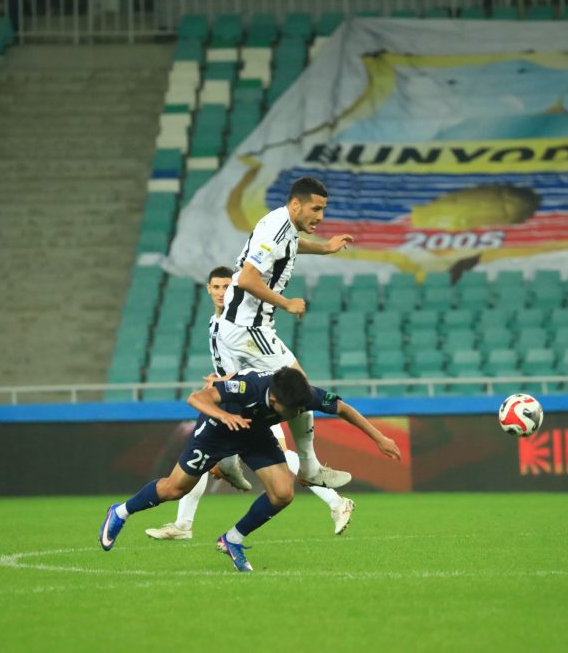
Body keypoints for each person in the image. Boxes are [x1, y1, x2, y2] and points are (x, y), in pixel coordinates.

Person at [99, 368, 401, 572]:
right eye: (292, 410)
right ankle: (120, 512)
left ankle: (232, 539)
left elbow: (343, 408)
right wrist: (224, 416)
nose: (297, 413)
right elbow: (197, 397)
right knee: (174, 489)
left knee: (283, 493)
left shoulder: (299, 393)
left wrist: (380, 438)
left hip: (254, 435)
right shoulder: (248, 387)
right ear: (273, 399)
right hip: (216, 432)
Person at [144, 266, 356, 541]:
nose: (222, 293)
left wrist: (228, 381)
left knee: (279, 457)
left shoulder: (242, 325)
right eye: (216, 287)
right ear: (208, 289)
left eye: (227, 287)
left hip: (259, 400)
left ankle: (337, 502)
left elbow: (257, 366)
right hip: (234, 400)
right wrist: (221, 380)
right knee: (201, 458)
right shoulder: (215, 323)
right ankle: (183, 524)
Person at [218, 176, 354, 489]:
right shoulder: (277, 229)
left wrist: (325, 249)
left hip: (239, 325)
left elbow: (289, 246)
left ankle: (226, 458)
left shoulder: (282, 223)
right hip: (249, 328)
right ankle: (309, 468)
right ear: (296, 204)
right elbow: (248, 279)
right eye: (316, 209)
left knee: (246, 396)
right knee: (300, 391)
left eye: (323, 209)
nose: (320, 216)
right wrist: (286, 302)